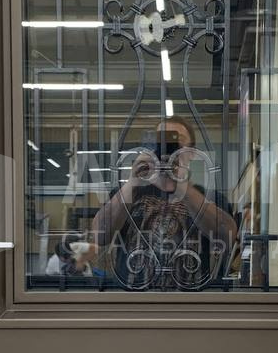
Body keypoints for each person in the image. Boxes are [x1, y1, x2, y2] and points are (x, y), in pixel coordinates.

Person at [92, 117, 236, 290]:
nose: (168, 150)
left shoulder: (208, 197)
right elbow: (100, 236)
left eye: (176, 143)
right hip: (133, 300)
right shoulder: (128, 194)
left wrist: (183, 188)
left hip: (191, 301)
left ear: (191, 153)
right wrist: (132, 183)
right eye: (161, 141)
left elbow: (228, 238)